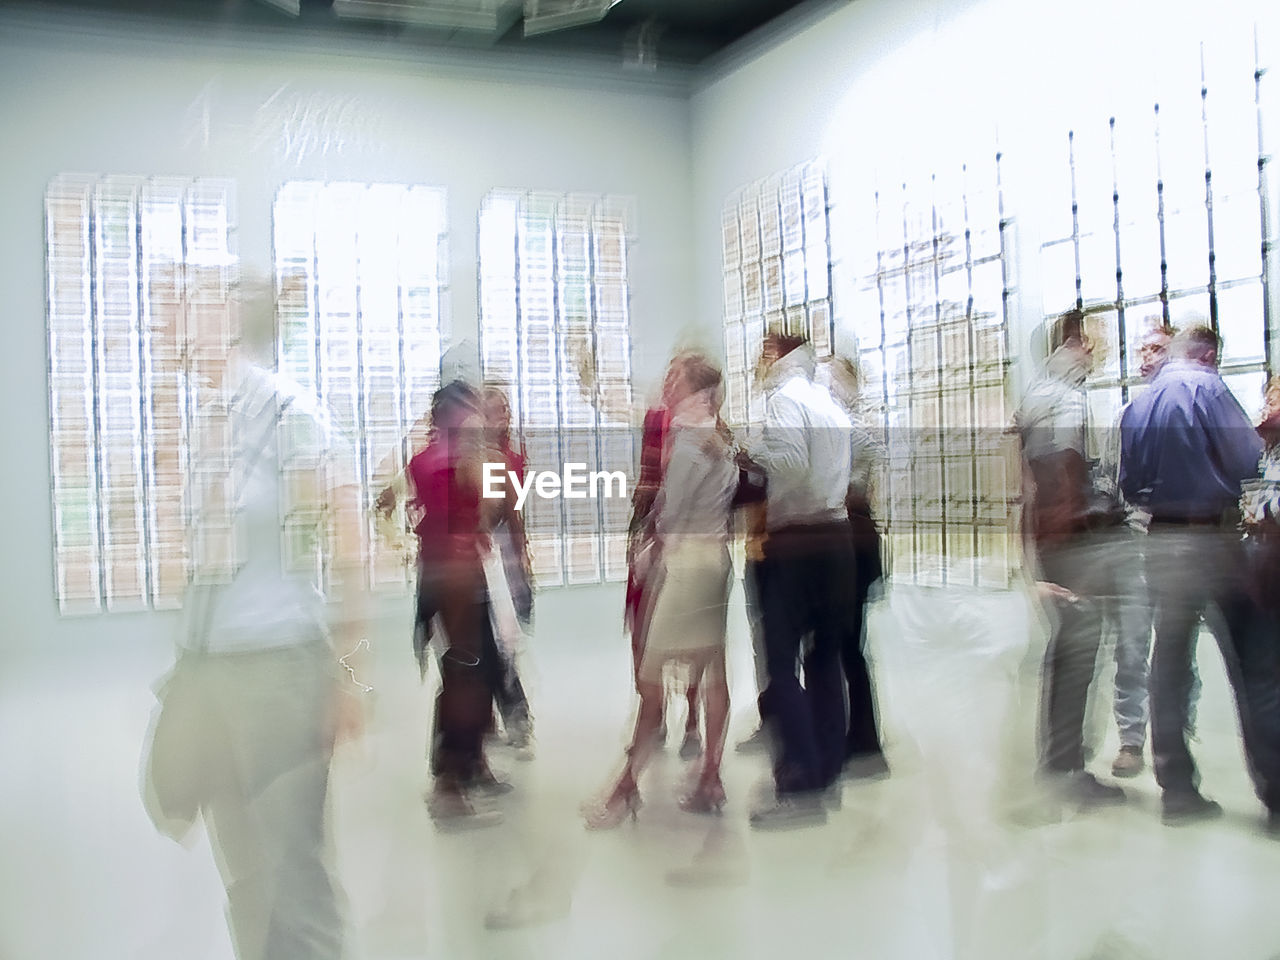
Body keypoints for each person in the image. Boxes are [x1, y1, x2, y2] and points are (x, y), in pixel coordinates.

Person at [142, 276, 368, 960]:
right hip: (212, 678)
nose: (165, 320)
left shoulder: (287, 414)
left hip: (280, 674)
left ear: (226, 322)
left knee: (294, 875)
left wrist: (350, 676)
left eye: (182, 305)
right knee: (245, 872)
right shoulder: (209, 422)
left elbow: (348, 533)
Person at [1120, 324, 1280, 828]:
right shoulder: (1208, 387)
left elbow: (1129, 483)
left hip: (1161, 543)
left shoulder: (1138, 404)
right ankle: (1277, 792)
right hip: (1213, 538)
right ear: (1209, 354)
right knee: (1256, 664)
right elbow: (1246, 458)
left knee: (1168, 665)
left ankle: (1178, 792)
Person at [583, 353, 738, 827]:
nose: (667, 385)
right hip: (715, 560)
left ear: (699, 393)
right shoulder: (721, 439)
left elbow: (670, 513)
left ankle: (624, 789)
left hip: (686, 566)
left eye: (677, 379)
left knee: (652, 682)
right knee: (713, 670)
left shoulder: (690, 445)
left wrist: (649, 547)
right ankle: (710, 776)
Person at [1015, 309, 1128, 807]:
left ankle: (1060, 762)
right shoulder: (1062, 398)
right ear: (1077, 341)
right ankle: (1065, 767)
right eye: (1098, 338)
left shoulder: (1046, 393)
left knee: (1069, 649)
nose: (1103, 348)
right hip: (1069, 542)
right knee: (1078, 651)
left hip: (1055, 539)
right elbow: (1060, 471)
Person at [745, 334, 858, 829]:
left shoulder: (785, 401)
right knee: (826, 658)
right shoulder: (828, 403)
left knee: (781, 662)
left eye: (768, 354)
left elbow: (788, 463)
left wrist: (743, 451)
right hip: (837, 539)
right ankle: (828, 771)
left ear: (783, 359)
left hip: (797, 543)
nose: (761, 362)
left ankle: (798, 783)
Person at [409, 381, 511, 828]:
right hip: (456, 578)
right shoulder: (454, 462)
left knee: (475, 671)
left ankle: (469, 764)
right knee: (465, 677)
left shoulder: (428, 459)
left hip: (444, 577)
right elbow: (493, 506)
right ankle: (449, 784)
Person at [819, 354, 889, 778]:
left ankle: (862, 739)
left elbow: (846, 490)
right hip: (848, 545)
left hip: (852, 547)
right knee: (844, 646)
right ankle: (855, 736)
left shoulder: (851, 434)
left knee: (846, 646)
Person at [480, 385, 536, 757]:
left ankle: (508, 715)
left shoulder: (515, 457)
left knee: (505, 638)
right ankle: (508, 714)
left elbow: (516, 511)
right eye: (497, 410)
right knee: (493, 640)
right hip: (485, 553)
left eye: (507, 409)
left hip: (505, 551)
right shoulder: (474, 460)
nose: (505, 416)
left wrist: (523, 552)